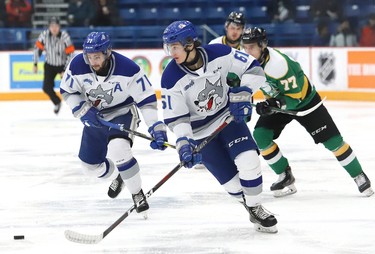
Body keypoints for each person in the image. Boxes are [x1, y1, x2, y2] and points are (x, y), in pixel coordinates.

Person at [160, 20, 278, 233]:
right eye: (169, 47)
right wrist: (184, 144)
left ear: (189, 44)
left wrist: (244, 93)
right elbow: (177, 119)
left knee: (249, 161)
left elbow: (254, 69)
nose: (171, 52)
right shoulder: (170, 77)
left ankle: (256, 207)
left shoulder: (220, 53)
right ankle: (248, 204)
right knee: (232, 184)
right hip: (200, 132)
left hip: (227, 118)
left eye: (175, 46)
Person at [241, 27, 373, 198]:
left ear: (262, 45)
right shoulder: (244, 62)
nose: (247, 51)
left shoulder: (278, 65)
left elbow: (295, 98)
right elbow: (240, 84)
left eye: (251, 47)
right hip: (277, 103)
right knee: (260, 135)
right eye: (245, 47)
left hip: (305, 103)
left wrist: (271, 104)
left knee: (333, 142)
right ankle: (285, 175)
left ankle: (358, 174)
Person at [59, 31, 168, 215]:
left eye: (97, 57)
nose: (93, 62)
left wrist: (156, 127)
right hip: (95, 117)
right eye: (90, 57)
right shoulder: (77, 64)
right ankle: (120, 175)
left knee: (119, 150)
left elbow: (146, 99)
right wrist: (83, 110)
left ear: (108, 52)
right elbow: (67, 91)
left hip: (122, 113)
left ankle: (137, 193)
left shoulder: (128, 69)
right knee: (89, 167)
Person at [33, 17, 75, 114]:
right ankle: (57, 102)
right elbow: (37, 49)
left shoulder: (65, 36)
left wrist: (65, 69)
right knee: (46, 88)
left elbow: (71, 53)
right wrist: (35, 63)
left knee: (71, 87)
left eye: (56, 26)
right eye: (52, 26)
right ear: (49, 27)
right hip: (50, 65)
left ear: (59, 27)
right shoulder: (44, 35)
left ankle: (79, 105)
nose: (54, 28)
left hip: (63, 65)